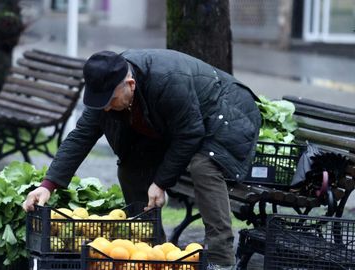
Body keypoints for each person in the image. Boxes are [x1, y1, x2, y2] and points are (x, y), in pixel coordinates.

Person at [23, 49, 261, 269]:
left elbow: (190, 133)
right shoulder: (105, 87)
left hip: (227, 113)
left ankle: (221, 260)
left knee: (204, 166)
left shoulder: (167, 80)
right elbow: (80, 136)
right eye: (101, 102)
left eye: (110, 101)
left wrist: (160, 183)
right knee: (130, 168)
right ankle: (154, 252)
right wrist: (48, 185)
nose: (105, 109)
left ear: (131, 84)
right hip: (172, 124)